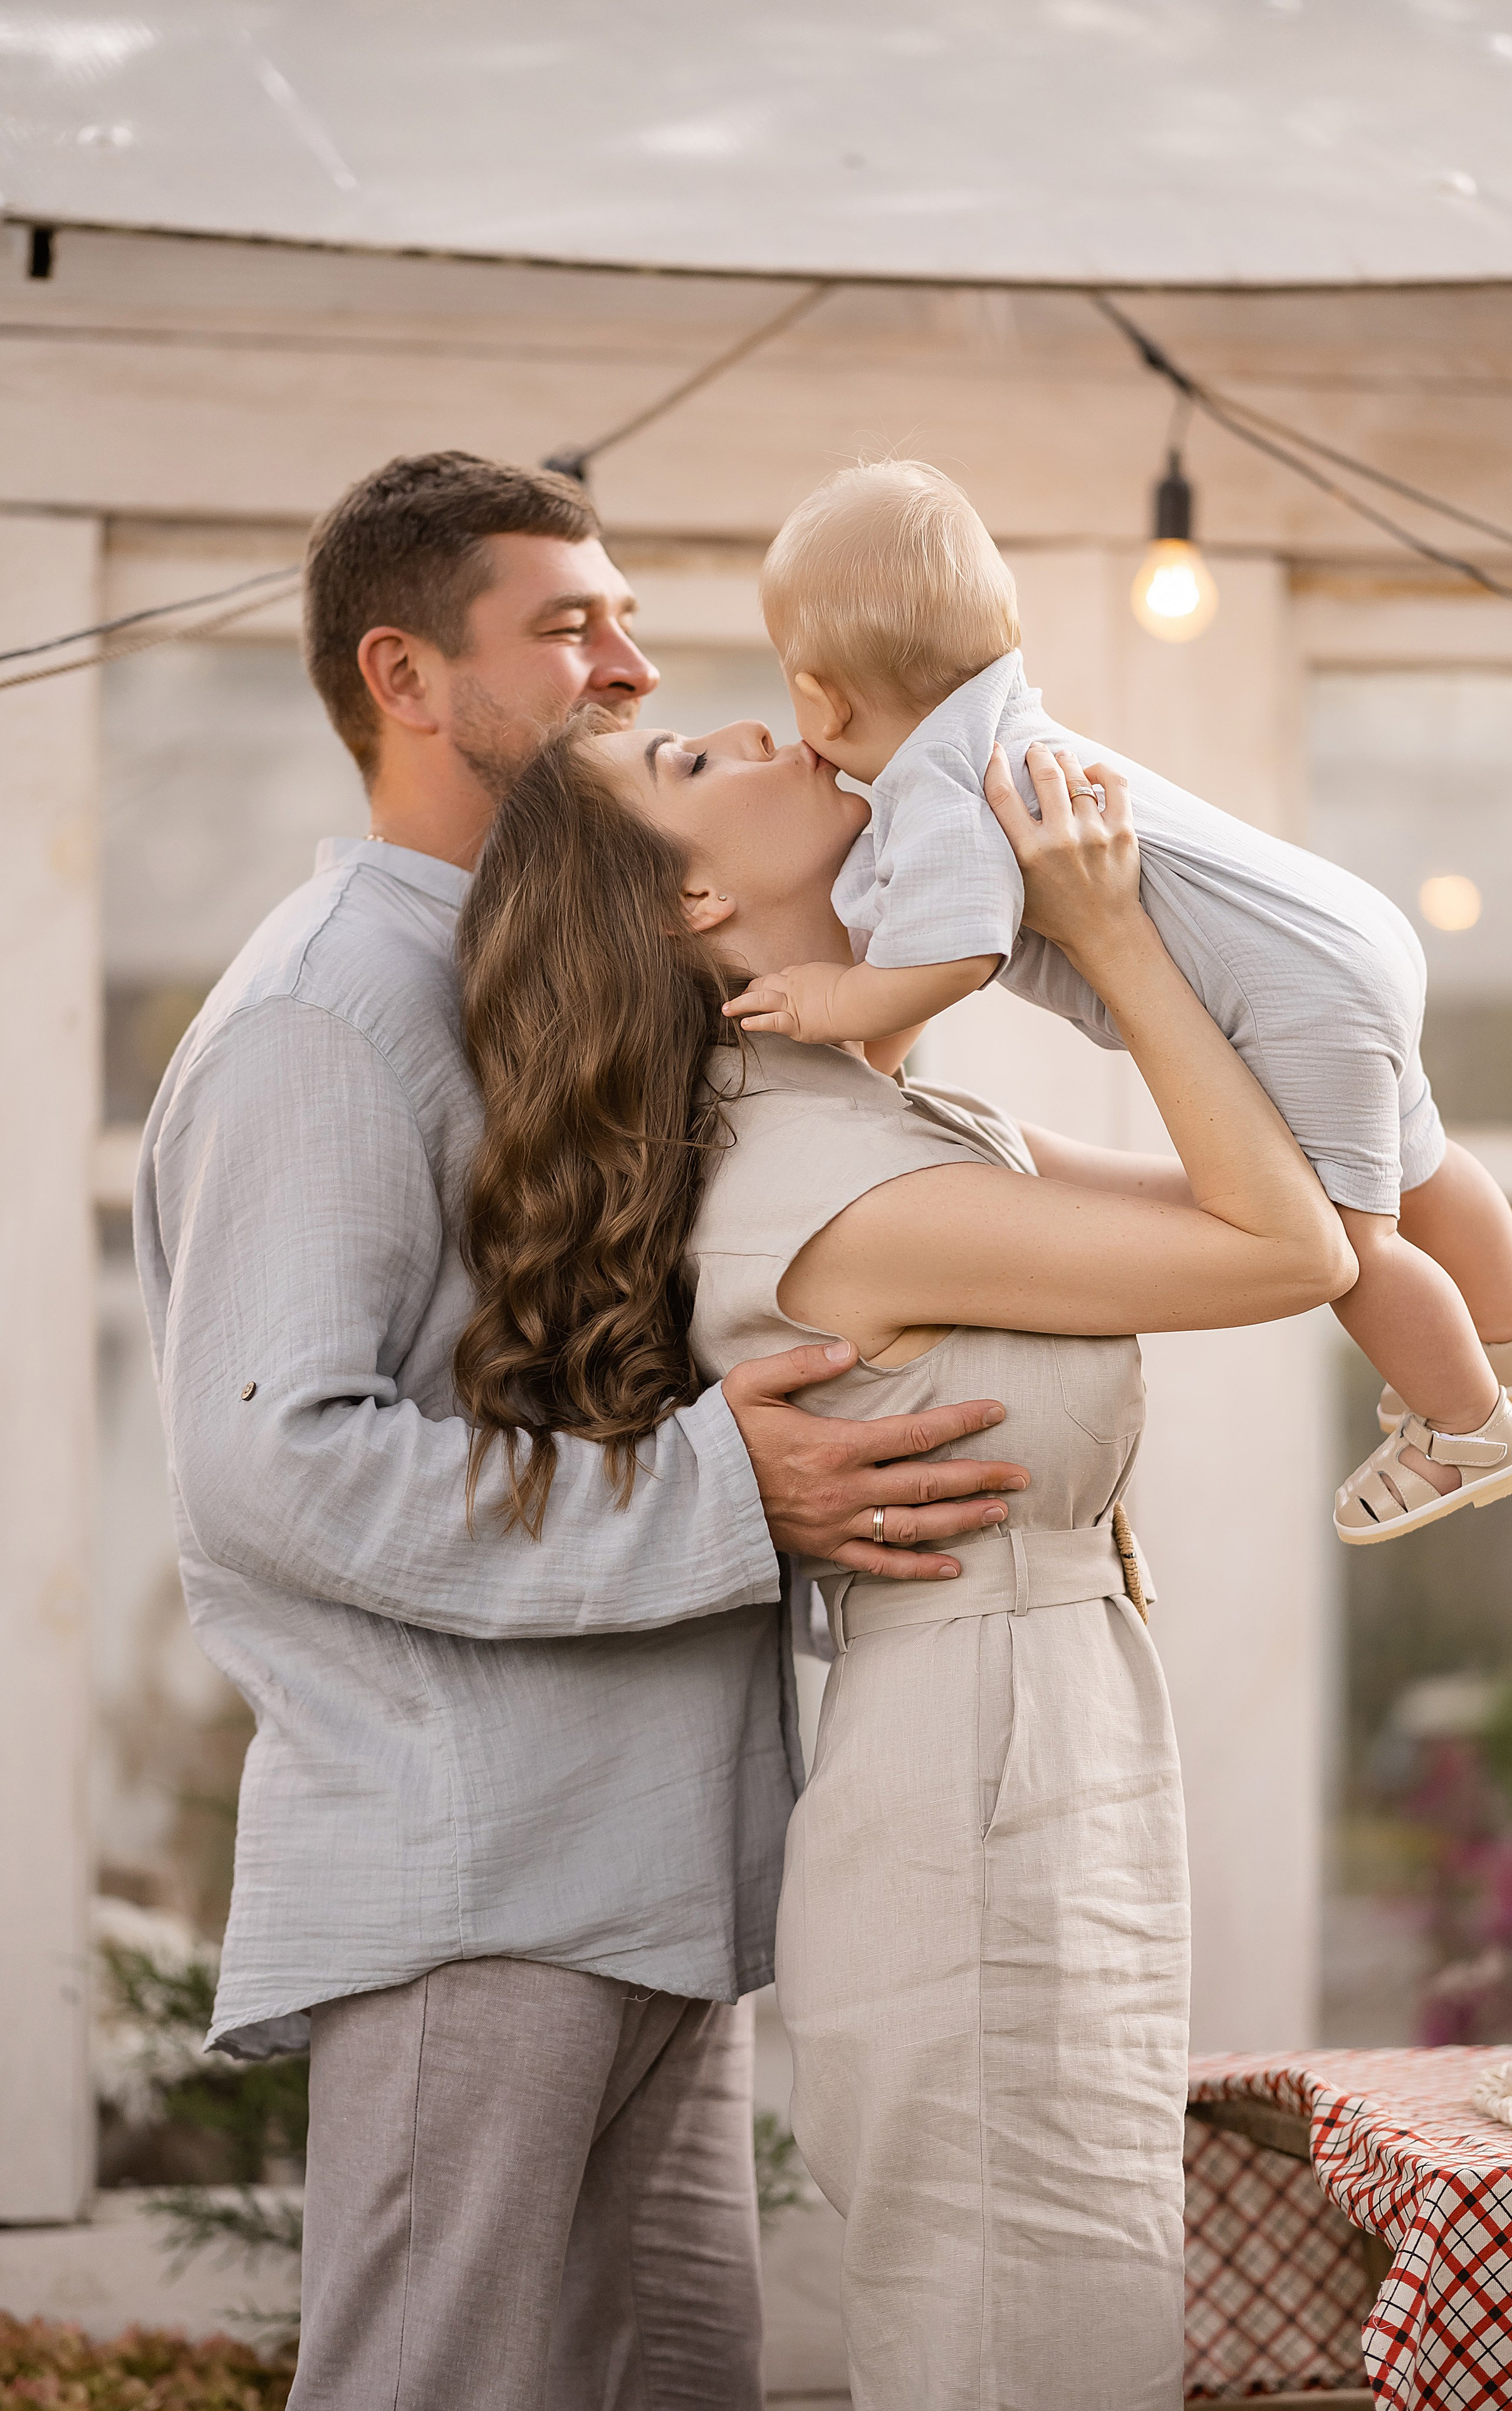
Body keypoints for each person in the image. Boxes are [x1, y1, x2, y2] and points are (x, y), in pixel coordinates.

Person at [134, 450, 1031, 2411]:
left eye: (623, 614)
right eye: (567, 627)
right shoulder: (329, 1015)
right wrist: (730, 1486)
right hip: (479, 1888)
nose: (632, 666)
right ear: (405, 675)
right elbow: (277, 1462)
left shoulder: (559, 973)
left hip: (654, 1875)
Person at [452, 706, 1356, 2407]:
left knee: (1072, 2319)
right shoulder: (822, 1184)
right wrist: (1100, 931)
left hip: (1028, 1735)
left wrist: (1075, 932)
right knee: (1026, 2339)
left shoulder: (892, 1115)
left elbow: (1316, 1188)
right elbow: (1287, 1248)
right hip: (974, 1774)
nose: (759, 724)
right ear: (690, 909)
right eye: (693, 770)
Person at [736, 459, 1512, 1546]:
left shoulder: (939, 791)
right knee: (1418, 1152)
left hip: (1290, 997)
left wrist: (832, 1001)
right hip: (1345, 934)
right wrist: (872, 1064)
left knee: (1349, 1239)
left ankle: (1466, 1425)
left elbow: (950, 956)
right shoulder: (1009, 723)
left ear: (818, 695)